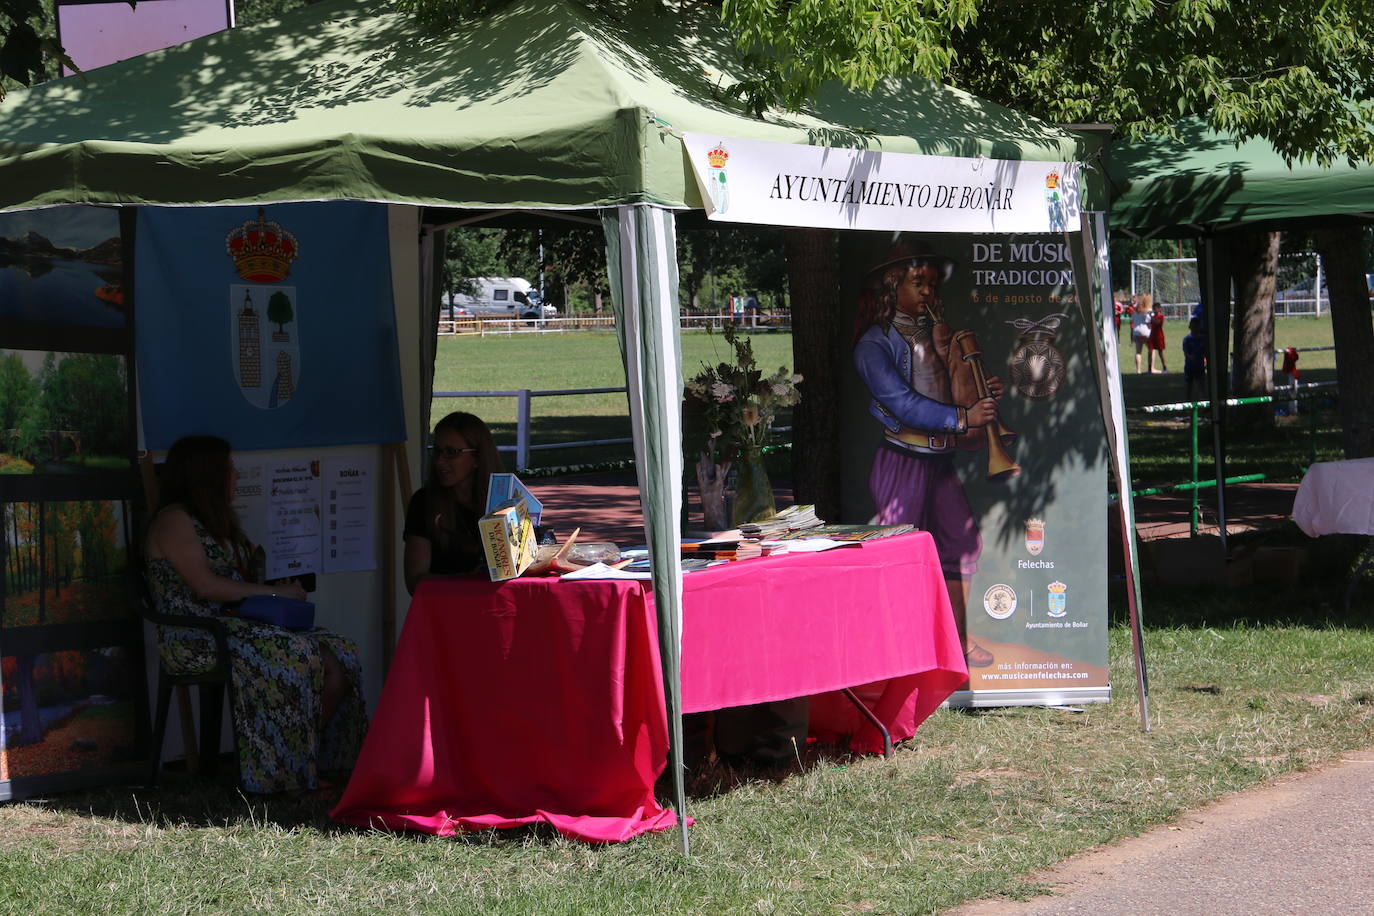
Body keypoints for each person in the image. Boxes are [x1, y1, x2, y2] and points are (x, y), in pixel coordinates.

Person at [144, 435, 367, 794]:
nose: (235, 475)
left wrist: (277, 584)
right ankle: (283, 773)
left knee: (341, 652)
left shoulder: (219, 522)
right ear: (206, 476)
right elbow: (205, 586)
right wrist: (275, 593)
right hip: (198, 636)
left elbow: (240, 579)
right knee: (296, 656)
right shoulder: (175, 520)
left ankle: (304, 761)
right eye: (228, 468)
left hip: (238, 625)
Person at [852, 243, 1002, 668]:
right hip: (902, 460)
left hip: (941, 461)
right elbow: (903, 404)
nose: (928, 292)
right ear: (891, 284)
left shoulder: (938, 336)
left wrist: (977, 392)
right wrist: (964, 415)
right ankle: (893, 646)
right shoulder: (873, 345)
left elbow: (949, 385)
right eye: (918, 282)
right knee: (894, 551)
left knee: (963, 542)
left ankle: (956, 640)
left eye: (932, 284)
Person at [404, 411, 503, 594]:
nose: (440, 461)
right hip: (446, 613)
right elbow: (415, 582)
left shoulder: (503, 500)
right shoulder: (424, 502)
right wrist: (468, 582)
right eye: (437, 451)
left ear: (477, 458)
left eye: (451, 452)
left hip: (498, 611)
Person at [1182, 317, 1207, 399]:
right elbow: (1186, 352)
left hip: (1199, 366)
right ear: (1189, 327)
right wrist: (1190, 357)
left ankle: (1203, 406)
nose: (1194, 329)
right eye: (1193, 326)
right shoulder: (1187, 339)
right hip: (1189, 367)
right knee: (1188, 387)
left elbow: (1205, 352)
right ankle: (1187, 406)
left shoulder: (1202, 339)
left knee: (1201, 386)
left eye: (1196, 326)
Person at [1130, 294, 1152, 373]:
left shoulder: (1134, 312)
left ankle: (1138, 370)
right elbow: (1149, 321)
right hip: (1145, 332)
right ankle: (1151, 368)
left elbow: (1132, 321)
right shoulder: (1147, 311)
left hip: (1136, 332)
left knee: (1138, 352)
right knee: (1151, 350)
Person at [1148, 297, 1168, 372]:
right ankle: (1149, 369)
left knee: (1160, 353)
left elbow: (1158, 323)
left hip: (1159, 336)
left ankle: (1165, 368)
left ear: (1159, 309)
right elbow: (1151, 325)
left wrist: (1151, 317)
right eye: (1153, 308)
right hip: (1152, 336)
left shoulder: (1161, 316)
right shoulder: (1153, 317)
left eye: (1156, 308)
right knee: (1150, 352)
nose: (1154, 310)